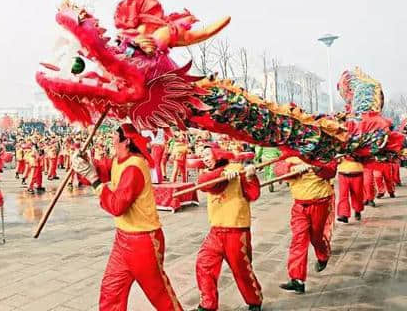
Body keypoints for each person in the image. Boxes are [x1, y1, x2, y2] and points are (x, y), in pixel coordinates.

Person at [72, 124, 183, 311]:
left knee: (160, 296)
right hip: (122, 239)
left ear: (127, 140)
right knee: (111, 291)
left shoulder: (135, 167)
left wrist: (94, 179)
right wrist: (84, 164)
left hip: (143, 241)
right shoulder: (118, 160)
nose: (111, 139)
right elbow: (99, 171)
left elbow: (117, 206)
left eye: (115, 136)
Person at [195, 145, 262, 311]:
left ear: (217, 154)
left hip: (237, 230)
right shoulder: (207, 174)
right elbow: (204, 183)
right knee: (203, 264)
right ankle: (208, 304)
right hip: (215, 231)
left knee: (241, 270)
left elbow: (253, 194)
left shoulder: (238, 170)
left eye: (207, 154)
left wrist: (251, 176)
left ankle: (254, 301)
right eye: (202, 155)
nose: (204, 158)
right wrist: (223, 174)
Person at [276, 157, 335, 294]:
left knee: (316, 237)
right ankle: (297, 279)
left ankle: (323, 255)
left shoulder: (322, 152)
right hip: (299, 205)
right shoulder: (288, 152)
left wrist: (317, 168)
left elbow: (331, 171)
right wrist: (292, 169)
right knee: (299, 239)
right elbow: (278, 169)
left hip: (320, 202)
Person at [336, 158, 364, 223]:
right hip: (343, 173)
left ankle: (357, 210)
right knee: (343, 195)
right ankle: (344, 214)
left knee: (357, 194)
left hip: (357, 173)